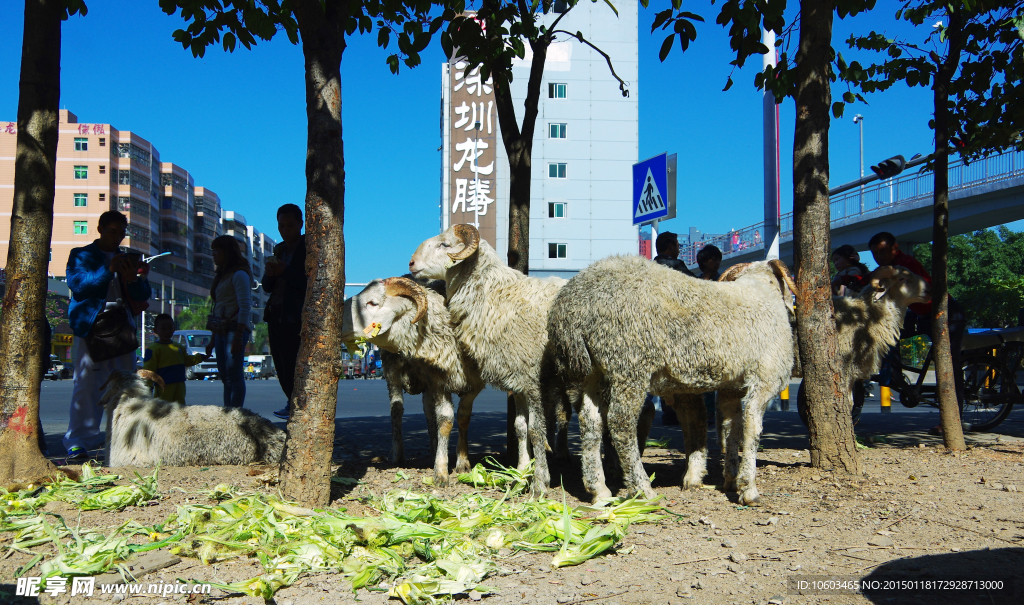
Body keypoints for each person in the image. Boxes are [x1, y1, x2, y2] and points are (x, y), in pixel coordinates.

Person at [64, 211, 151, 460]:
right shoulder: (81, 254)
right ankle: (79, 439)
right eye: (112, 231)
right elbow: (79, 286)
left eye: (121, 232)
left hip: (122, 327)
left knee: (124, 386)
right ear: (100, 228)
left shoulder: (128, 258)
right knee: (86, 385)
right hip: (91, 327)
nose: (117, 237)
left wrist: (132, 278)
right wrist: (107, 269)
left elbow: (143, 293)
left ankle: (120, 438)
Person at [869, 231, 966, 433]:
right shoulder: (887, 269)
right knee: (888, 336)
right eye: (875, 253)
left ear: (895, 248)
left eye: (883, 251)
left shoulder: (905, 265)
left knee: (948, 365)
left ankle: (954, 418)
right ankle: (895, 376)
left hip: (944, 313)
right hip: (922, 315)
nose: (879, 257)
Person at [262, 204, 307, 420]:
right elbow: (266, 287)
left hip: (295, 316)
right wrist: (271, 273)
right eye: (281, 226)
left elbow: (310, 283)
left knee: (292, 365)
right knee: (280, 365)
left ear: (300, 224)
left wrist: (285, 271)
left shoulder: (308, 248)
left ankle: (297, 405)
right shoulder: (279, 250)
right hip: (275, 314)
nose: (285, 230)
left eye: (290, 225)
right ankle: (291, 402)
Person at [650, 231, 696, 425]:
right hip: (676, 325)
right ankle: (677, 413)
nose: (679, 248)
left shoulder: (650, 267)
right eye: (677, 245)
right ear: (669, 247)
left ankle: (666, 412)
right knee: (677, 370)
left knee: (659, 370)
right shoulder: (677, 266)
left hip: (654, 325)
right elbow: (696, 285)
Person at [205, 235, 253, 409]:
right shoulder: (222, 276)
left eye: (217, 251)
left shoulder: (239, 274)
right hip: (220, 330)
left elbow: (245, 306)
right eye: (213, 251)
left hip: (235, 329)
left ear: (228, 252)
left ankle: (236, 413)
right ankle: (228, 412)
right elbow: (219, 308)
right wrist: (212, 339)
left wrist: (239, 335)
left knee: (234, 375)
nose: (214, 255)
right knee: (225, 376)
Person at [142, 314, 207, 404]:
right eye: (163, 329)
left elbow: (187, 360)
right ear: (155, 331)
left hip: (179, 385)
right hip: (163, 387)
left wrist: (200, 357)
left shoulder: (179, 347)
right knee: (163, 410)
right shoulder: (153, 349)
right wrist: (148, 387)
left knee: (180, 410)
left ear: (174, 329)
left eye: (170, 328)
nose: (167, 331)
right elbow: (149, 369)